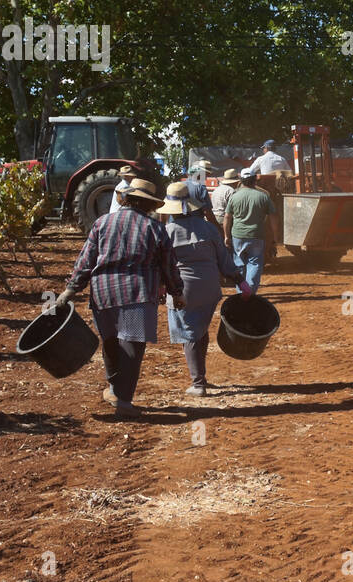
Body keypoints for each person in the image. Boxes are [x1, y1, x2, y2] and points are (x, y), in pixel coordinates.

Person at [54, 178, 184, 420]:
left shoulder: (102, 223)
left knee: (111, 342)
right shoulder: (154, 228)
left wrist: (70, 289)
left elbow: (86, 260)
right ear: (148, 204)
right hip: (138, 294)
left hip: (104, 293)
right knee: (132, 346)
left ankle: (114, 390)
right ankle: (124, 401)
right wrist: (177, 293)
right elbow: (168, 266)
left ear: (126, 199)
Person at [157, 182, 252, 396]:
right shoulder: (208, 228)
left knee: (189, 334)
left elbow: (161, 266)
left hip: (182, 291)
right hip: (210, 289)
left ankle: (198, 383)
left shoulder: (167, 232)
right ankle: (202, 376)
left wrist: (161, 289)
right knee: (200, 330)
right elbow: (224, 260)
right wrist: (240, 281)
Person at [223, 168, 275, 292]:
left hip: (238, 236)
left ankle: (241, 291)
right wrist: (274, 238)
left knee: (239, 264)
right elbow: (274, 217)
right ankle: (250, 291)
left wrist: (226, 236)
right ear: (254, 180)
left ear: (241, 180)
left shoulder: (234, 196)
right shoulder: (263, 196)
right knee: (255, 263)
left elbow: (227, 217)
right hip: (257, 235)